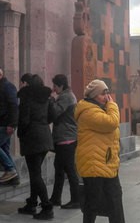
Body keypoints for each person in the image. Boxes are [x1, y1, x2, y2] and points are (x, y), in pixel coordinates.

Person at [74, 79, 125, 223]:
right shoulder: (88, 111)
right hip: (94, 165)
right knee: (93, 204)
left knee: (115, 200)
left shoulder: (100, 109)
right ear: (94, 95)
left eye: (107, 93)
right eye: (103, 94)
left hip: (106, 162)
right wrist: (113, 105)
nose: (107, 97)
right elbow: (112, 123)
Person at [16, 74, 54, 220]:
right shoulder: (47, 99)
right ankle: (32, 203)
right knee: (35, 172)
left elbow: (24, 120)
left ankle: (47, 206)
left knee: (35, 174)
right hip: (44, 137)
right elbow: (53, 115)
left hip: (32, 138)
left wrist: (21, 133)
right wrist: (42, 123)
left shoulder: (27, 98)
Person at [48, 74, 80, 209]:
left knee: (69, 169)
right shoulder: (66, 96)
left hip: (67, 138)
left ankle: (76, 199)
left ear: (61, 85)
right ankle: (56, 198)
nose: (53, 89)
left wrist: (50, 100)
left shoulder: (66, 97)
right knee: (59, 169)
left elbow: (55, 112)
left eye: (55, 86)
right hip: (64, 138)